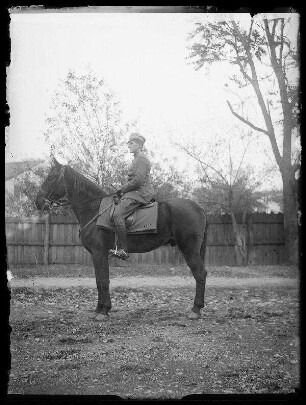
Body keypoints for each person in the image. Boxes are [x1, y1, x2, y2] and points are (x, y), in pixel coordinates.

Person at [109, 133, 155, 260]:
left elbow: (138, 181)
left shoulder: (141, 158)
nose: (128, 145)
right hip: (135, 192)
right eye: (128, 142)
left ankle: (123, 249)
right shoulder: (136, 158)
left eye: (132, 143)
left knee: (117, 215)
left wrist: (122, 189)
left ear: (139, 145)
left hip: (141, 192)